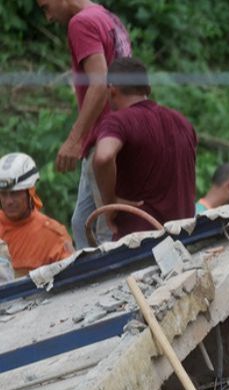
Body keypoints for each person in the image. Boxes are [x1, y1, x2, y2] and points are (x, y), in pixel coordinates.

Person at [38, 0, 132, 249]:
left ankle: (115, 285)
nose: (48, 18)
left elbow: (99, 83)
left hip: (106, 137)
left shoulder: (81, 23)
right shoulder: (108, 17)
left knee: (106, 234)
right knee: (82, 224)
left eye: (45, 7)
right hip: (122, 131)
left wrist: (74, 139)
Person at [92, 57, 197, 239]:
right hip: (184, 238)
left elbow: (103, 157)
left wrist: (110, 204)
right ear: (147, 88)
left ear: (112, 89)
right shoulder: (183, 123)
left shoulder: (117, 121)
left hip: (140, 244)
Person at [0, 152, 73, 277]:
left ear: (31, 192)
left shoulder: (54, 237)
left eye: (15, 193)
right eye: (3, 194)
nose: (8, 201)